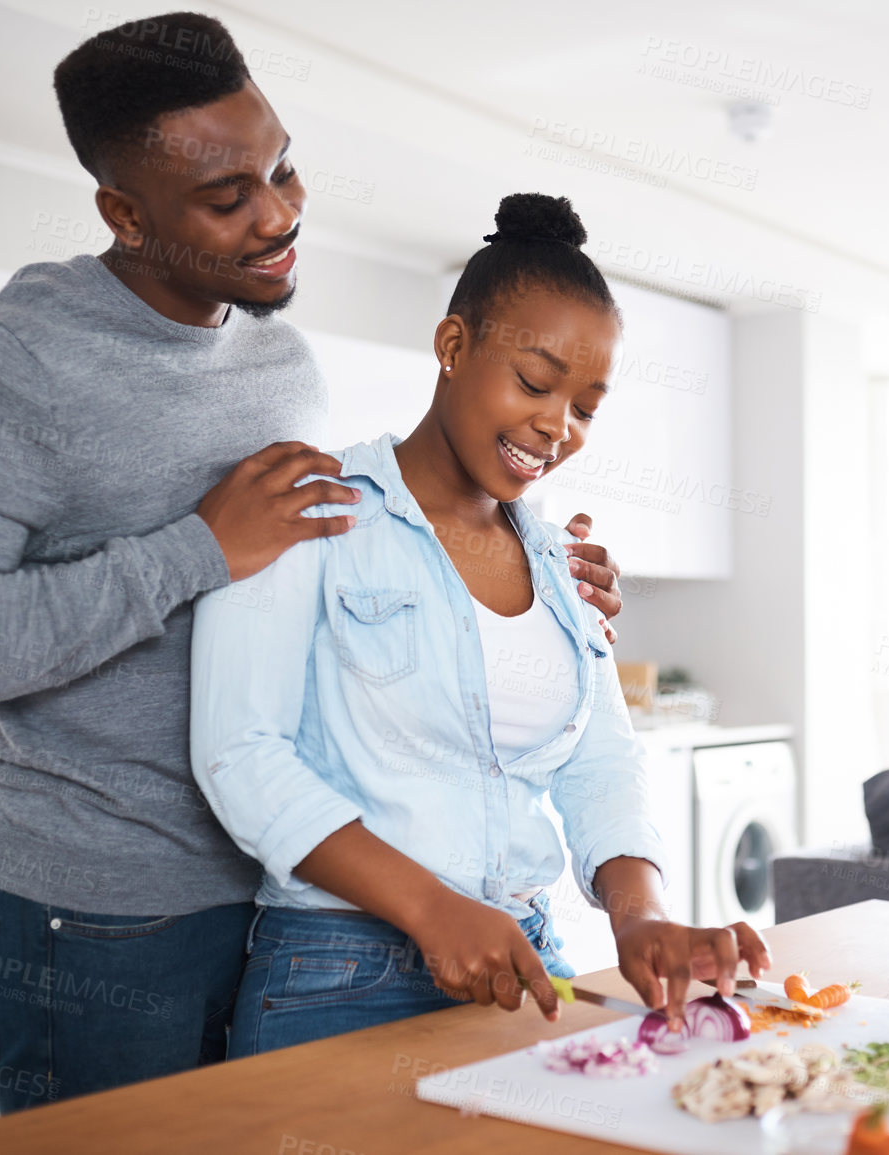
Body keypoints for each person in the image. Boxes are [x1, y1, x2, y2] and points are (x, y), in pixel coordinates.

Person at [0, 15, 624, 1112]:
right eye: (227, 199)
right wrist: (192, 551)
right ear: (125, 213)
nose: (279, 215)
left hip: (293, 899)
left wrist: (538, 597)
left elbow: (331, 588)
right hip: (104, 912)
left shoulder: (280, 358)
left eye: (285, 167)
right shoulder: (13, 362)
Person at [191, 193, 771, 1056]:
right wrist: (431, 909)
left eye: (585, 406)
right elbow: (240, 753)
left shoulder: (563, 563)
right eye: (535, 383)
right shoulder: (311, 510)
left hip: (523, 964)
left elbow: (600, 758)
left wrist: (640, 914)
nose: (556, 427)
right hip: (337, 977)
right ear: (453, 346)